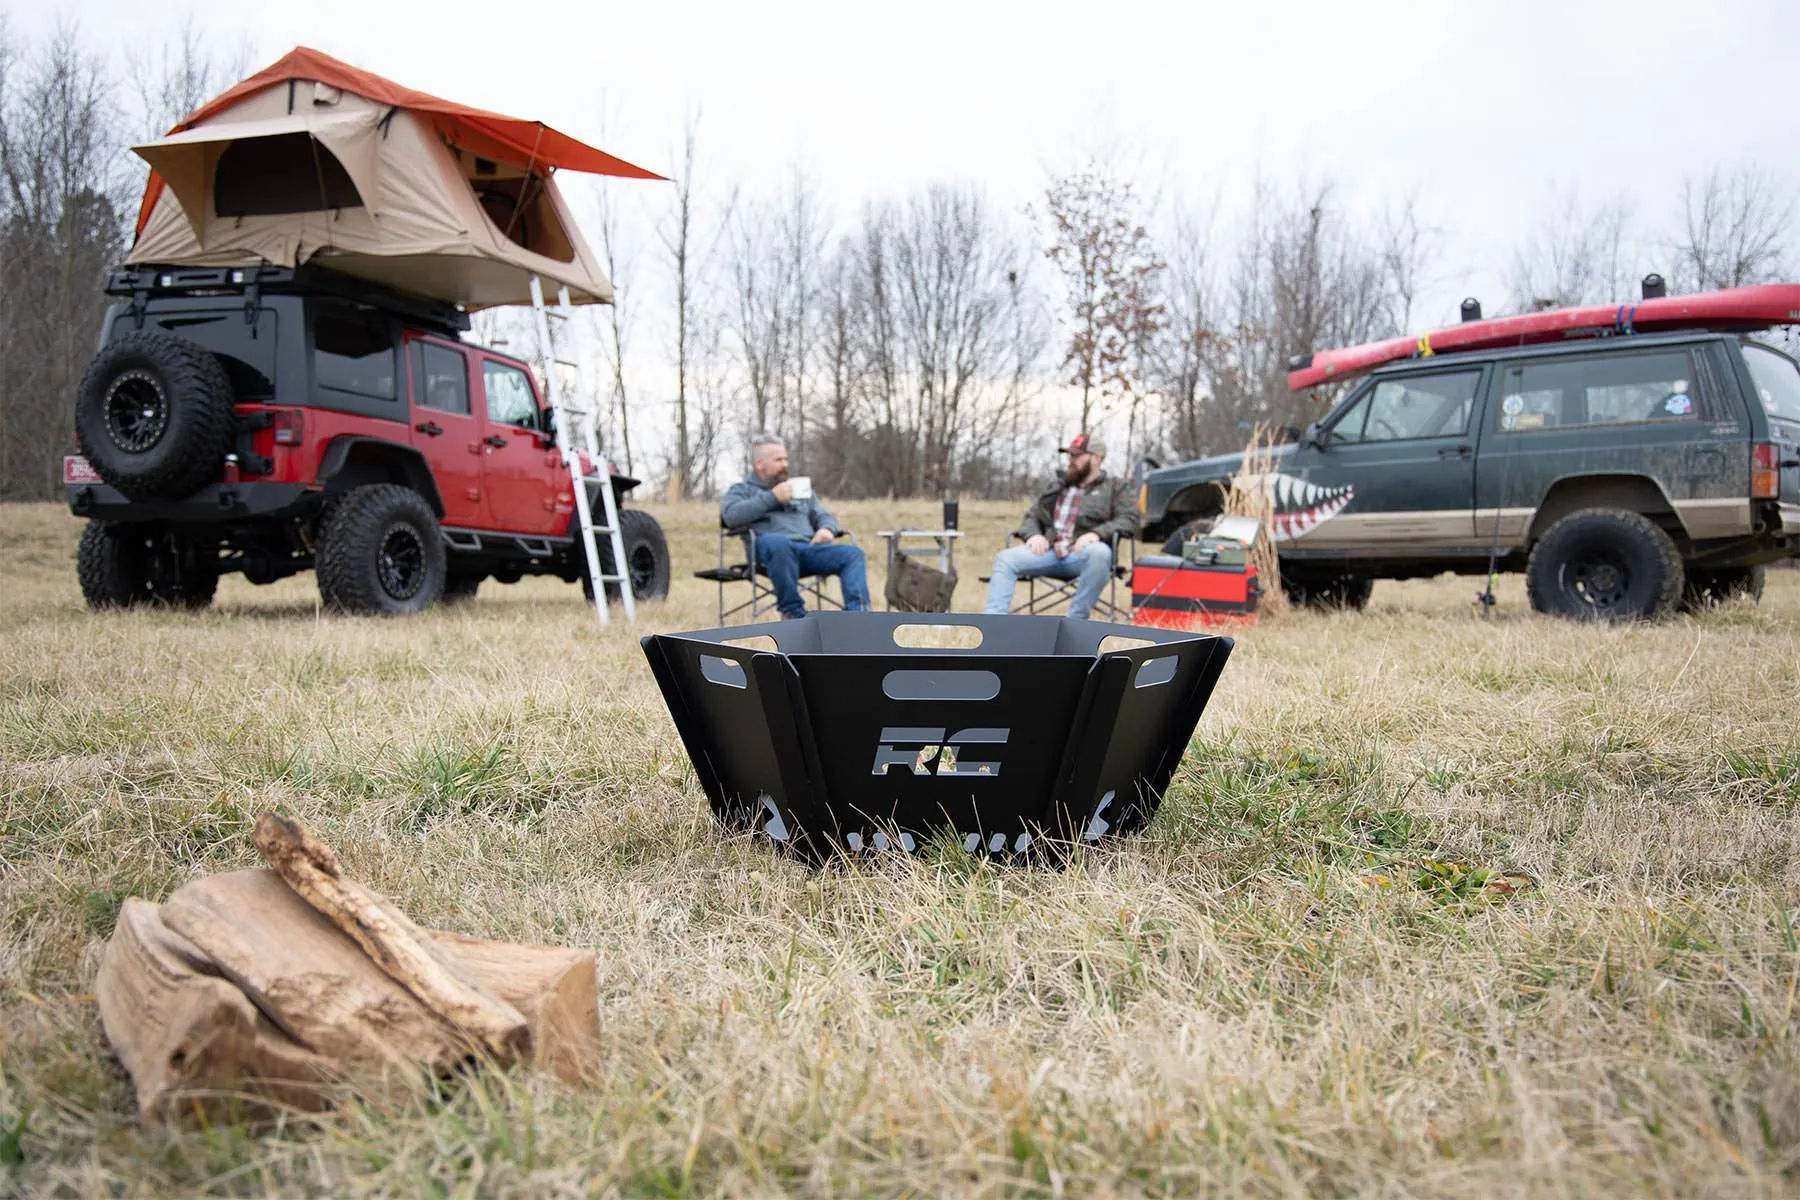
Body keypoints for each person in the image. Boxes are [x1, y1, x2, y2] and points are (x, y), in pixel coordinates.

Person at [984, 432, 1138, 620]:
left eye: (1077, 455)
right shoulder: (1058, 486)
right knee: (1005, 558)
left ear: (1096, 459)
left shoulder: (1116, 487)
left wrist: (1096, 534)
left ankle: (1074, 622)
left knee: (1100, 552)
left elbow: (1130, 519)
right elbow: (1033, 515)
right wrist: (1033, 535)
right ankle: (993, 625)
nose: (1071, 460)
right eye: (1070, 455)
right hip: (1049, 552)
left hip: (1083, 556)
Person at [720, 434, 870, 619]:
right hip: (769, 554)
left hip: (808, 550)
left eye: (786, 459)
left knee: (852, 554)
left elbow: (822, 514)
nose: (785, 464)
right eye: (778, 460)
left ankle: (859, 617)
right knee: (779, 543)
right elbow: (731, 517)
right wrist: (772, 497)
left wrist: (826, 529)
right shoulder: (742, 490)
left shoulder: (800, 488)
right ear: (760, 464)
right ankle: (794, 613)